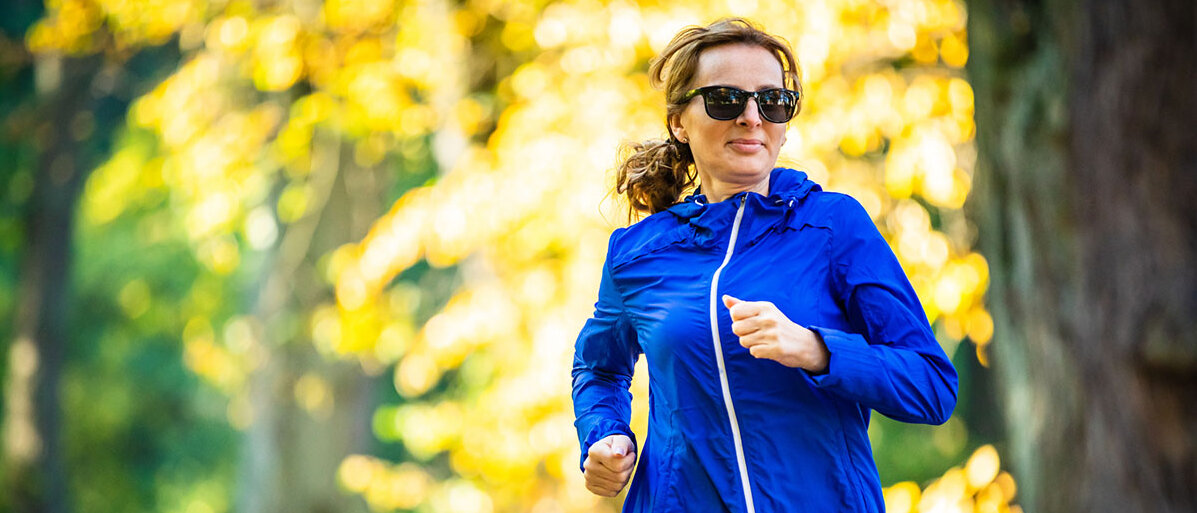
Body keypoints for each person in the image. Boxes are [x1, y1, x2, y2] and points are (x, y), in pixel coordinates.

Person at [570, 18, 958, 512]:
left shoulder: (832, 226)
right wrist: (605, 437)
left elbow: (931, 386)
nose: (752, 117)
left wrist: (818, 350)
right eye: (725, 99)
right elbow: (599, 368)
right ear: (678, 121)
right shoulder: (638, 253)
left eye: (772, 102)